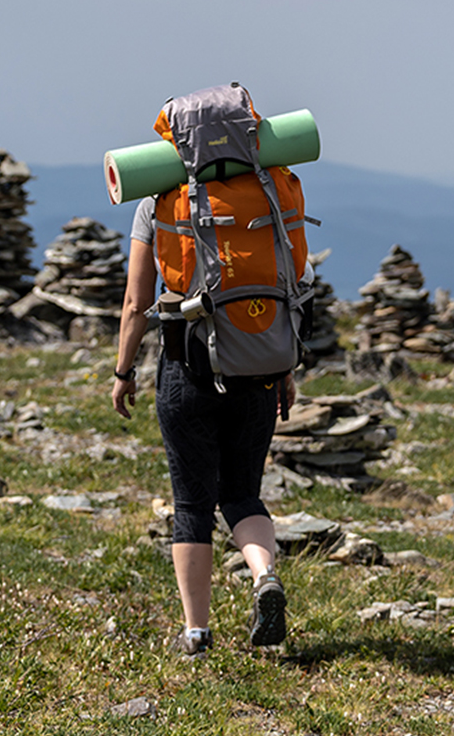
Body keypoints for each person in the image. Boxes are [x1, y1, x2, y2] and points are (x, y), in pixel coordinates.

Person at [112, 194, 292, 658]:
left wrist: (123, 371)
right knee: (242, 494)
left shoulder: (157, 204)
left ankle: (196, 633)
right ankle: (264, 575)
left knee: (192, 503)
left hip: (186, 369)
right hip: (257, 368)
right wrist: (285, 370)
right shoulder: (262, 190)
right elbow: (285, 286)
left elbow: (137, 301)